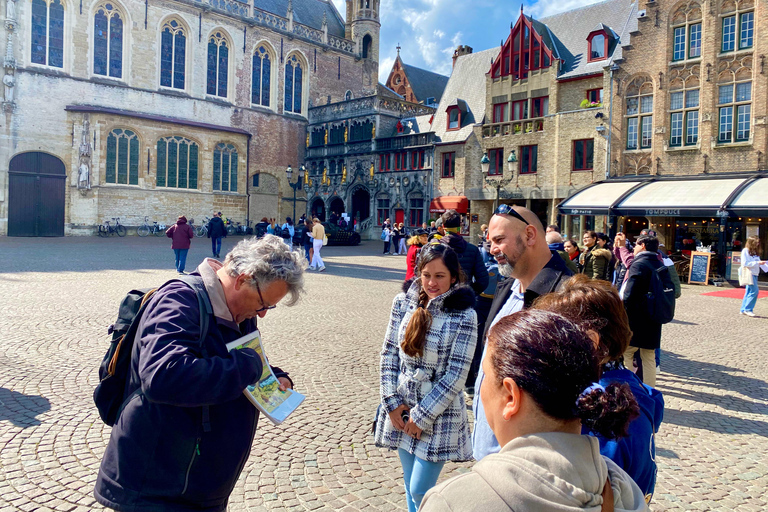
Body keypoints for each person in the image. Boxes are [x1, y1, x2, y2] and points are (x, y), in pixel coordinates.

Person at [94, 236, 306, 512]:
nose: (263, 314)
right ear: (242, 280)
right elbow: (163, 375)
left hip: (198, 486)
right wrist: (248, 367)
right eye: (264, 303)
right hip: (157, 489)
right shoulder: (180, 300)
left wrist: (271, 374)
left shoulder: (241, 310)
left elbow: (236, 355)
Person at [420, 310, 647, 512]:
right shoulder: (623, 489)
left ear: (511, 397)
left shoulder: (453, 502)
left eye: (486, 376)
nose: (481, 386)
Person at [534, 274, 665, 502]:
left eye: (553, 336)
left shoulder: (603, 412)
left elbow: (591, 496)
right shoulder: (629, 388)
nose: (545, 346)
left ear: (590, 341)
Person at [374, 243, 478, 512]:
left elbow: (457, 374)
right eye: (426, 275)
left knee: (422, 489)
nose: (432, 283)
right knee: (410, 487)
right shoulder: (402, 303)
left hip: (438, 412)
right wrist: (392, 402)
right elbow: (388, 354)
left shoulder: (465, 315)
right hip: (403, 405)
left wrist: (421, 417)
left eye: (440, 276)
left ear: (453, 277)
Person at [472, 205, 574, 461]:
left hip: (526, 460)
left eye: (499, 240)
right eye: (489, 242)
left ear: (530, 236)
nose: (492, 249)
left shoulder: (567, 296)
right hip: (488, 451)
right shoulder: (505, 286)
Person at [621, 234, 664, 387]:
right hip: (654, 317)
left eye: (636, 244)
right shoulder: (660, 263)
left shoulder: (639, 264)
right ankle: (649, 391)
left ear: (643, 245)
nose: (634, 247)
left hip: (635, 318)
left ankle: (625, 388)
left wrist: (621, 314)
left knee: (625, 352)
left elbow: (629, 295)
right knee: (648, 356)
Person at [740, 235, 767, 317]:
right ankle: (748, 309)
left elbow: (757, 261)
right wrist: (757, 263)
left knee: (748, 292)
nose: (758, 244)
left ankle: (743, 309)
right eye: (756, 243)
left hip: (755, 273)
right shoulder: (745, 251)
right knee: (754, 291)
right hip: (749, 273)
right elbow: (745, 263)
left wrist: (762, 264)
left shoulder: (755, 252)